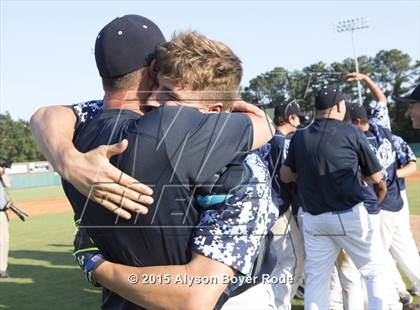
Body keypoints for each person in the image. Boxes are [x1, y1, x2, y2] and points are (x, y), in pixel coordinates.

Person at [33, 17, 276, 309]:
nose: (156, 102)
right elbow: (195, 296)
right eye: (159, 88)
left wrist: (96, 264)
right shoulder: (238, 163)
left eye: (170, 96)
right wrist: (264, 124)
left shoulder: (80, 133)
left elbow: (46, 114)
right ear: (152, 72)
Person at [280, 86, 389, 310]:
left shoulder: (300, 135)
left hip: (314, 219)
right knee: (374, 271)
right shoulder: (351, 132)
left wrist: (304, 175)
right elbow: (376, 176)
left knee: (317, 279)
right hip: (349, 215)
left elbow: (285, 174)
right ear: (340, 106)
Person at [346, 72, 420, 305]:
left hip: (380, 203)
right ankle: (401, 292)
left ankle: (394, 298)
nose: (408, 112)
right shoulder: (381, 127)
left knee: (379, 254)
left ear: (356, 122)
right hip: (397, 200)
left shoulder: (357, 141)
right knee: (402, 249)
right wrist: (366, 79)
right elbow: (381, 102)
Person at [0, 165, 11, 278]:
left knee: (3, 241)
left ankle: (1, 269)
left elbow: (8, 184)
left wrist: (2, 172)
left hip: (1, 212)